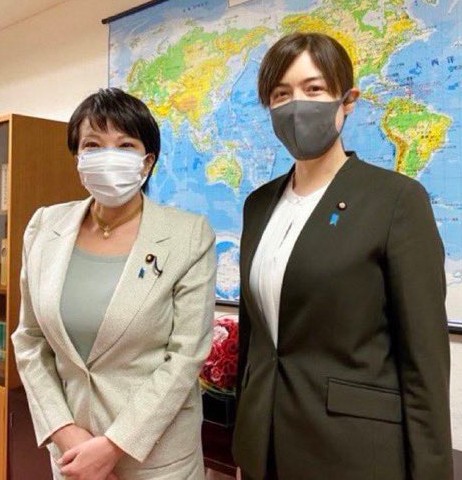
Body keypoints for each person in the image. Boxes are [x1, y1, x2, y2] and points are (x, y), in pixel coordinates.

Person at [232, 32, 453, 480]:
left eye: (313, 89)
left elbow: (424, 363)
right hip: (263, 448)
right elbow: (255, 340)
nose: (297, 105)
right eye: (281, 94)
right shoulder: (258, 205)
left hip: (351, 454)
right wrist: (245, 445)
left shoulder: (395, 200)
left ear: (347, 101)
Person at [12, 88, 217, 480]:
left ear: (147, 161)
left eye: (125, 145)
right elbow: (30, 340)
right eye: (93, 144)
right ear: (78, 157)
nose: (108, 156)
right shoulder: (44, 227)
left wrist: (113, 446)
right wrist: (65, 433)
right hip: (72, 455)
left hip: (156, 462)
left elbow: (185, 356)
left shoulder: (188, 235)